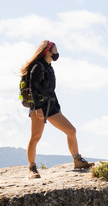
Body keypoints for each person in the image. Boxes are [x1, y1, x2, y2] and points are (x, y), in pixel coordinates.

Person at [21, 40, 93, 178]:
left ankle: (77, 160)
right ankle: (32, 168)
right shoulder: (37, 67)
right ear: (47, 52)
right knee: (36, 137)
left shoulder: (49, 68)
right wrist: (37, 108)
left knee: (71, 131)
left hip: (51, 107)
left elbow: (51, 90)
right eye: (55, 50)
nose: (56, 53)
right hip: (39, 107)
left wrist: (58, 107)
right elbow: (32, 88)